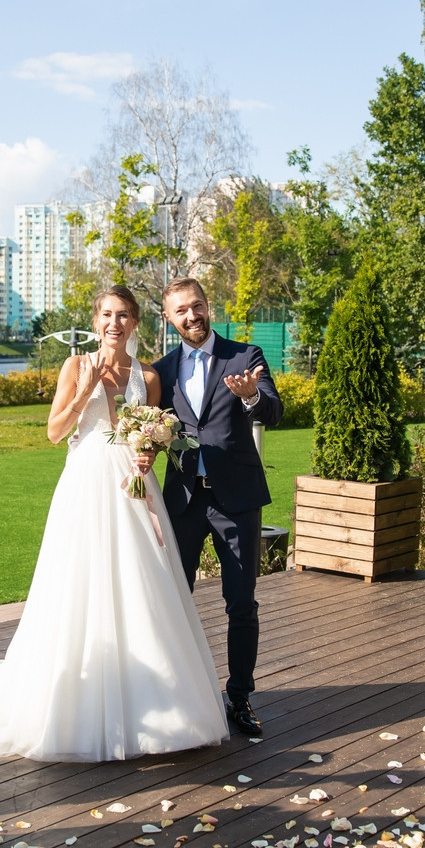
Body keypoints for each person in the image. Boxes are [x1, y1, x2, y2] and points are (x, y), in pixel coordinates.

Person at [0, 286, 230, 760]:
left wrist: (148, 451)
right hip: (86, 486)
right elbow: (56, 432)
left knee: (142, 587)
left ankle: (154, 701)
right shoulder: (75, 366)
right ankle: (77, 698)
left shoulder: (147, 375)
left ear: (136, 322)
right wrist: (85, 389)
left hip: (134, 489)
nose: (114, 323)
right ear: (95, 320)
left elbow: (154, 435)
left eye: (123, 316)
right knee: (80, 586)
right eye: (106, 315)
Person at [150, 277, 283, 737]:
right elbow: (146, 426)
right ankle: (178, 693)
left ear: (209, 306)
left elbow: (273, 410)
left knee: (241, 604)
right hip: (183, 502)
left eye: (197, 306)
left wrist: (250, 395)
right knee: (173, 601)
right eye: (181, 310)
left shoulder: (245, 356)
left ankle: (241, 697)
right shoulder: (160, 371)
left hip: (237, 502)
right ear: (169, 318)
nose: (192, 316)